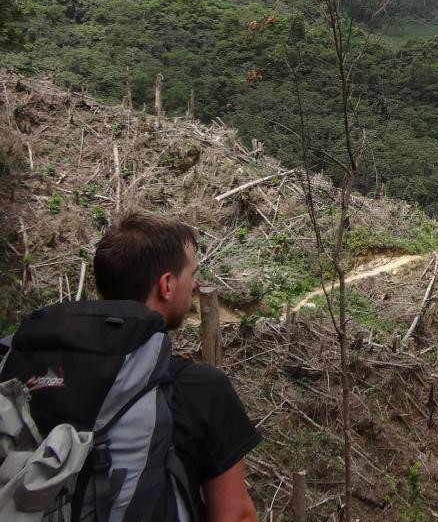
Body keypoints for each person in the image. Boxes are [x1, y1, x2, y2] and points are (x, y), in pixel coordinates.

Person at [2, 212, 262, 521]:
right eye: (191, 273)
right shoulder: (198, 387)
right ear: (166, 285)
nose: (195, 285)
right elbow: (235, 516)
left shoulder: (16, 361)